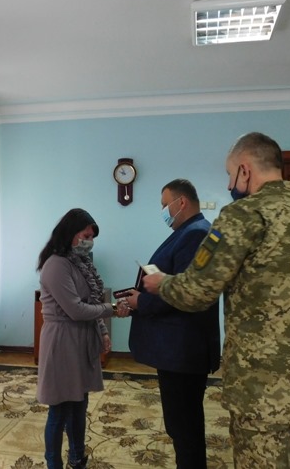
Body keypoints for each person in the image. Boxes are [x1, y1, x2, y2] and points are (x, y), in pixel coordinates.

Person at [143, 132, 290, 468]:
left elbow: (197, 291)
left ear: (245, 169)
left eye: (229, 174)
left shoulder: (242, 216)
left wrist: (162, 283)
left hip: (261, 390)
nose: (228, 185)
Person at [121, 178, 220, 469]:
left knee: (184, 427)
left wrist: (142, 301)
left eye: (165, 205)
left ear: (182, 202)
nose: (163, 211)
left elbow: (184, 293)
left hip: (183, 350)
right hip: (180, 350)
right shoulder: (189, 231)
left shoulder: (195, 234)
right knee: (181, 424)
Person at [36, 208, 121, 469]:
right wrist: (112, 309)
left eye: (92, 237)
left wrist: (103, 331)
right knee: (60, 408)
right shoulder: (56, 265)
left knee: (79, 403)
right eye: (86, 236)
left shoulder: (80, 262)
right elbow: (75, 309)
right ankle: (54, 463)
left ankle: (77, 456)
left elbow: (91, 301)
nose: (89, 242)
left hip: (81, 338)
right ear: (70, 233)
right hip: (62, 341)